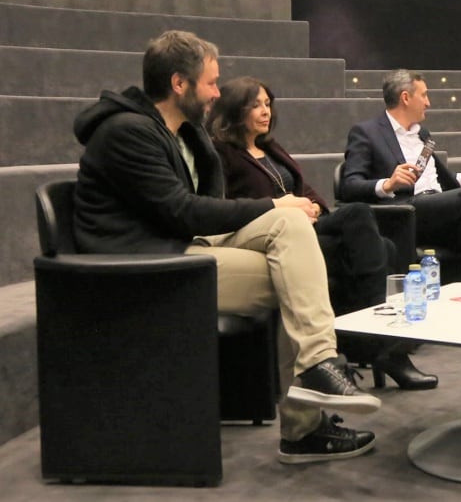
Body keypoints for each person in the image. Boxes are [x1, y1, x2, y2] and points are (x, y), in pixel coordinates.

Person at [73, 30, 380, 465]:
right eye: (211, 83)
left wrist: (281, 208)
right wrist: (272, 201)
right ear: (179, 83)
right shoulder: (127, 132)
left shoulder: (184, 132)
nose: (218, 93)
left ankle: (318, 365)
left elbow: (202, 208)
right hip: (145, 261)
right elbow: (181, 211)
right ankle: (304, 426)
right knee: (293, 276)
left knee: (291, 226)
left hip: (180, 241)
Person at [207, 76, 437, 391]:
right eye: (256, 105)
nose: (266, 112)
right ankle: (382, 349)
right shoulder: (221, 154)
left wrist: (313, 206)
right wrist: (282, 208)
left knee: (382, 245)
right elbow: (228, 207)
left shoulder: (270, 148)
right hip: (270, 235)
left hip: (308, 226)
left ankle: (369, 346)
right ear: (235, 111)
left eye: (268, 104)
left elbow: (306, 190)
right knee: (360, 218)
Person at [339, 69, 461, 276]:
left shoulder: (422, 134)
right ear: (405, 97)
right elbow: (349, 185)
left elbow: (436, 180)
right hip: (405, 212)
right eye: (423, 95)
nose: (428, 102)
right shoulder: (366, 132)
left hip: (434, 207)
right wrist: (387, 184)